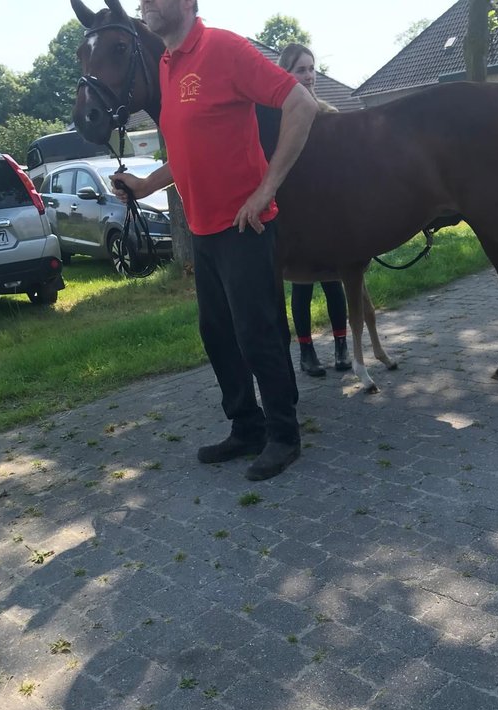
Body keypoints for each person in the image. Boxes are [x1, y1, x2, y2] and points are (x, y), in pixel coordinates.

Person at [111, 0, 318, 480]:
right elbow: (187, 147)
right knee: (218, 334)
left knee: (258, 333)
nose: (145, 5)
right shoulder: (166, 63)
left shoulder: (224, 48)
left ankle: (284, 435)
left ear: (187, 3)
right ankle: (247, 426)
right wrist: (145, 185)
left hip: (246, 226)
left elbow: (301, 104)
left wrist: (266, 189)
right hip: (204, 232)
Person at [276, 43, 351, 377]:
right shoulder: (278, 119)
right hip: (295, 215)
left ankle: (341, 346)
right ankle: (306, 352)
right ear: (286, 74)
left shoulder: (329, 115)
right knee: (301, 285)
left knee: (335, 281)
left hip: (329, 213)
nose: (308, 75)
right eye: (300, 70)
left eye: (311, 68)